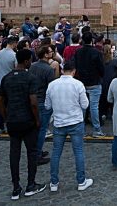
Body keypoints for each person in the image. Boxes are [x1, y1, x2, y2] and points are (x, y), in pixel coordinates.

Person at [0, 49, 47, 200]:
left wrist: (6, 117)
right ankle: (31, 184)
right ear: (26, 61)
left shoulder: (6, 78)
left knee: (14, 153)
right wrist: (37, 120)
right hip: (27, 120)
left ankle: (15, 187)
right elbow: (33, 102)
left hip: (13, 120)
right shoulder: (30, 78)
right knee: (32, 152)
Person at [44, 60, 93, 192]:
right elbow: (85, 105)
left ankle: (54, 182)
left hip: (59, 123)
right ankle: (81, 181)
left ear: (61, 70)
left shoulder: (52, 85)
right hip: (75, 122)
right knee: (78, 152)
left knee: (56, 153)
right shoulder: (78, 84)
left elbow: (47, 106)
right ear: (74, 71)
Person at [30, 45, 59, 164]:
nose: (52, 53)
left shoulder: (32, 66)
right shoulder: (48, 69)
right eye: (51, 52)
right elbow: (52, 88)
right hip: (43, 100)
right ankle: (37, 154)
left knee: (37, 128)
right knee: (43, 128)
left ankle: (37, 151)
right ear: (46, 55)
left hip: (33, 99)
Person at [74, 31, 105, 137]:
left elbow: (75, 65)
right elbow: (101, 68)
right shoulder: (96, 52)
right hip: (94, 81)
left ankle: (81, 130)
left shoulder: (78, 52)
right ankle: (96, 129)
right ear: (92, 40)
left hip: (82, 82)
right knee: (94, 107)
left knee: (82, 107)